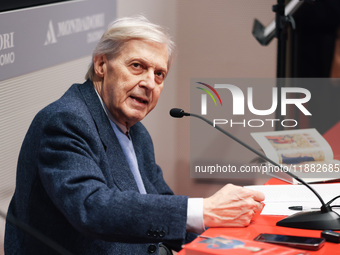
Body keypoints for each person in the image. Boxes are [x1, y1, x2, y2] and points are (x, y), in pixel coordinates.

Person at [4, 16, 264, 254]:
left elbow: (159, 203)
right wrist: (204, 210)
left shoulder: (135, 131)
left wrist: (229, 229)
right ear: (101, 64)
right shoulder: (65, 121)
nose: (150, 83)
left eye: (159, 74)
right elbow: (92, 207)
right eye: (137, 66)